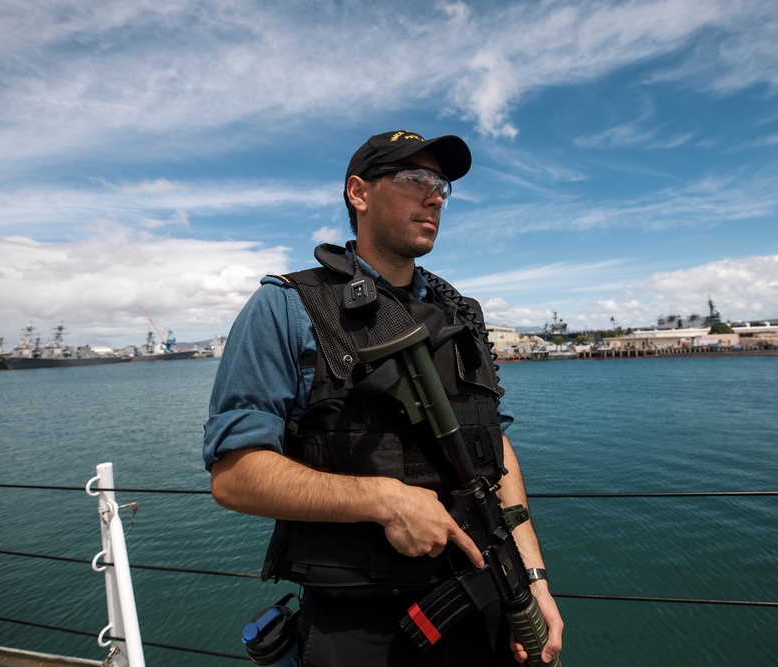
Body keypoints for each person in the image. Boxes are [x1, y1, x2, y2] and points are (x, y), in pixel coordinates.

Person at [203, 130, 563, 666]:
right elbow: (234, 475)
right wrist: (384, 501)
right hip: (361, 626)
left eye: (440, 184)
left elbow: (495, 449)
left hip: (486, 601)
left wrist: (532, 575)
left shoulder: (462, 314)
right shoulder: (286, 308)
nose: (434, 195)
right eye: (414, 178)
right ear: (359, 193)